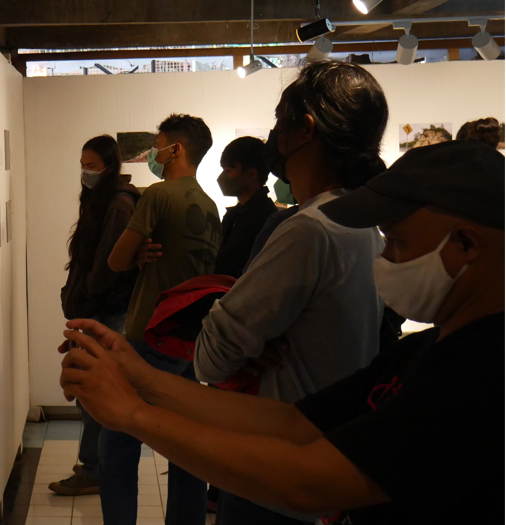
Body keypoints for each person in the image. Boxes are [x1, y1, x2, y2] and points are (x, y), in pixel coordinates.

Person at [58, 139, 504, 525]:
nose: (385, 255)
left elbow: (307, 480)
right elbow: (294, 422)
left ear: (465, 244)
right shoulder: (429, 348)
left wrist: (133, 414)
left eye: (399, 242)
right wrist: (141, 378)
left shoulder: (483, 371)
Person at [191, 61, 389, 524]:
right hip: (320, 464)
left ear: (305, 130)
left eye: (281, 119)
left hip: (274, 479)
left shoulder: (310, 230)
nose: (274, 134)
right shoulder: (363, 224)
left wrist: (239, 340)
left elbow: (211, 357)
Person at [100, 114, 221, 525]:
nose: (154, 152)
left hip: (147, 337)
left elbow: (117, 260)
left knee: (117, 445)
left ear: (177, 149)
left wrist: (135, 256)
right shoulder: (209, 207)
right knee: (186, 450)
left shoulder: (158, 195)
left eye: (158, 144)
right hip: (190, 342)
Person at [51, 136, 141, 496]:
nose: (85, 172)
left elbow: (107, 264)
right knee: (90, 394)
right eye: (82, 164)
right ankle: (94, 467)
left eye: (91, 165)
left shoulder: (119, 202)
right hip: (94, 309)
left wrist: (86, 294)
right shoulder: (99, 199)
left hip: (104, 311)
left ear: (109, 164)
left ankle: (95, 469)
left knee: (95, 393)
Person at [214, 137, 278, 278]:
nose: (222, 177)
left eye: (229, 170)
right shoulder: (234, 214)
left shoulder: (263, 217)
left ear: (251, 174)